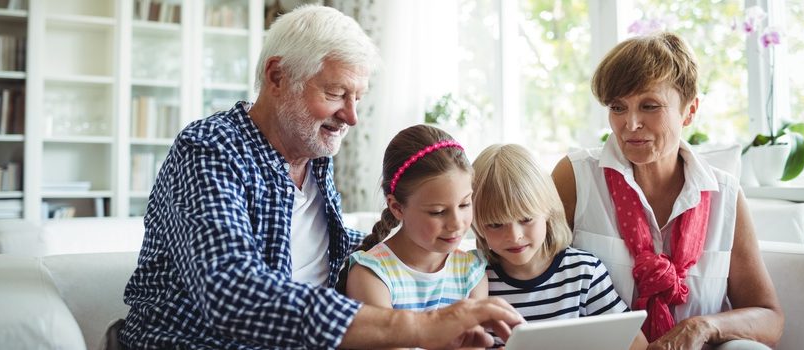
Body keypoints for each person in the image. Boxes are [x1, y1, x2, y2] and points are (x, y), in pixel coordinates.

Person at [119, 5, 521, 349]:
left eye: (358, 97)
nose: (351, 116)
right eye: (335, 94)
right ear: (277, 77)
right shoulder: (210, 150)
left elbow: (323, 261)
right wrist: (421, 325)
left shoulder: (313, 158)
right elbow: (233, 295)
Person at [551, 32, 783, 349]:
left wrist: (703, 327)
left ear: (689, 111)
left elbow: (769, 316)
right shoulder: (575, 176)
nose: (630, 123)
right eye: (618, 107)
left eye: (649, 106)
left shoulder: (725, 194)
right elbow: (531, 279)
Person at [471, 144, 646, 349]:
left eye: (526, 219)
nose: (514, 236)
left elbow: (636, 343)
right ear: (476, 224)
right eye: (495, 225)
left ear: (548, 211)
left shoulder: (583, 272)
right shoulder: (470, 276)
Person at [340, 124, 487, 318]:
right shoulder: (371, 274)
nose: (457, 223)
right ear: (397, 207)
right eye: (438, 212)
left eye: (464, 204)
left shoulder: (472, 271)